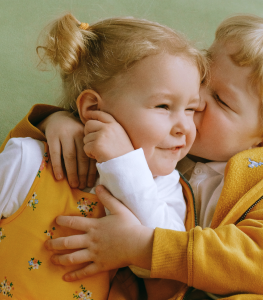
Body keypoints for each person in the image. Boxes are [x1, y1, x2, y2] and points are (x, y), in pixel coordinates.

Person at [1, 15, 263, 300]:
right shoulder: (177, 151)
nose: (196, 98)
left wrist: (143, 247)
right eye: (202, 77)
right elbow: (119, 96)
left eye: (220, 99)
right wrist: (60, 119)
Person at [0, 12, 207, 299]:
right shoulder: (29, 160)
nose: (184, 126)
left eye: (192, 109)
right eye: (163, 106)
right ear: (93, 109)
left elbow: (165, 261)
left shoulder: (166, 186)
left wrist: (124, 163)